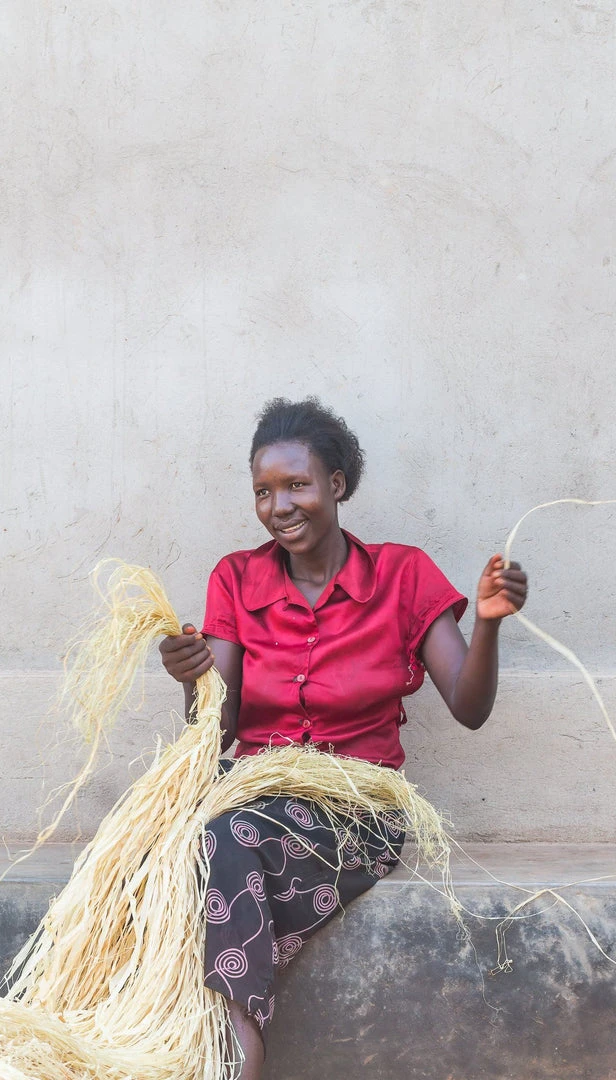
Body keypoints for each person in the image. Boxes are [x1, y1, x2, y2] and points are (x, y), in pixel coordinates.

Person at [159, 397, 528, 1079]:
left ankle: (237, 1049)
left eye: (297, 485)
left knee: (226, 838)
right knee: (163, 843)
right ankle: (141, 1031)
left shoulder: (402, 575)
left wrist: (490, 624)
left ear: (337, 485)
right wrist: (193, 683)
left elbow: (470, 709)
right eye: (264, 492)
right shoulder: (235, 579)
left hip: (356, 808)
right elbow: (218, 732)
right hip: (253, 793)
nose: (279, 506)